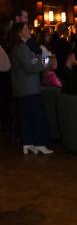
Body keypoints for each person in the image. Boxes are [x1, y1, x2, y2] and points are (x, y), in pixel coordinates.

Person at [9, 21, 53, 155]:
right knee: (37, 116)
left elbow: (32, 61)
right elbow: (32, 66)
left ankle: (28, 143)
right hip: (28, 88)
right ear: (19, 32)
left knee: (28, 117)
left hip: (25, 88)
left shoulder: (21, 46)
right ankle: (39, 143)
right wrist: (46, 60)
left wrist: (40, 59)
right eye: (26, 28)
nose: (29, 30)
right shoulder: (21, 47)